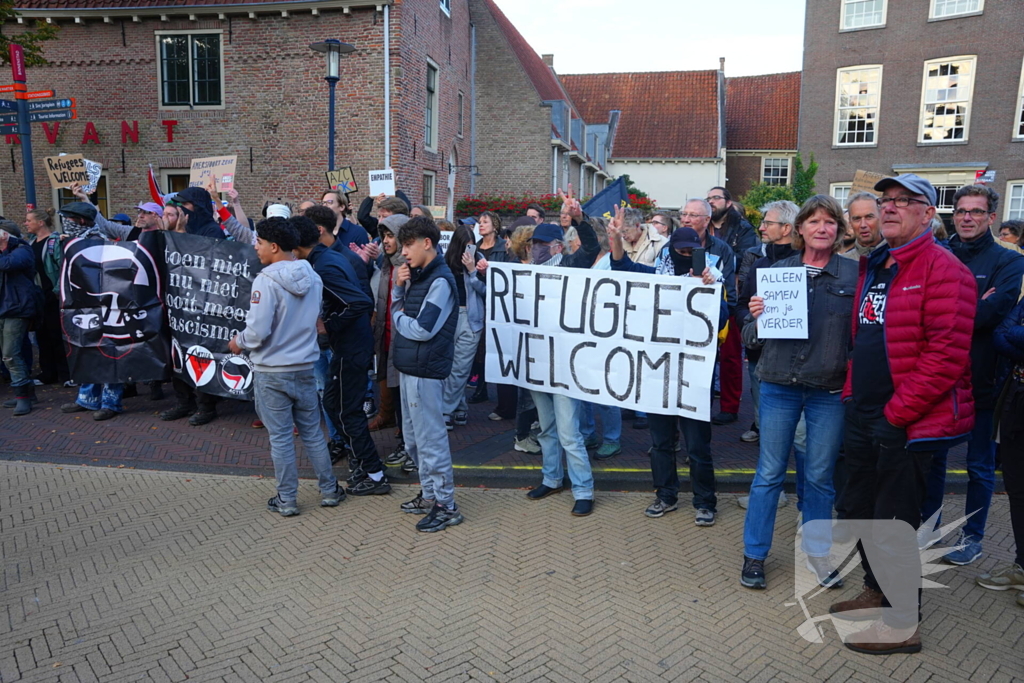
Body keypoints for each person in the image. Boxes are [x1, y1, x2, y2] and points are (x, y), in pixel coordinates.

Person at [830, 174, 976, 655]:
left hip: (905, 421)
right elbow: (865, 338)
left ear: (928, 214)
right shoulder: (880, 264)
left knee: (894, 521)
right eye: (886, 200)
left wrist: (896, 415)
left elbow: (945, 357)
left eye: (904, 202)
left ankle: (901, 623)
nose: (889, 209)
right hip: (865, 412)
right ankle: (876, 589)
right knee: (860, 510)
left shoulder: (943, 268)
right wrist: (854, 393)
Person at [738, 195, 858, 590]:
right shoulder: (776, 272)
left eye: (829, 222)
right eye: (814, 221)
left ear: (839, 231)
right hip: (777, 385)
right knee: (769, 473)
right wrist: (755, 318)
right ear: (800, 229)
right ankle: (754, 555)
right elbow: (751, 341)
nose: (822, 228)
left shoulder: (853, 277)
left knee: (821, 477)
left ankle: (819, 556)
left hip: (827, 390)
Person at [920, 185, 1024, 563]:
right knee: (932, 459)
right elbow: (924, 315)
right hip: (938, 377)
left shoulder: (1009, 262)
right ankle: (929, 528)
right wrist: (970, 306)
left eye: (976, 212)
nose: (966, 217)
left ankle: (972, 537)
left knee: (979, 465)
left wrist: (954, 309)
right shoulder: (940, 254)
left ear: (991, 218)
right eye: (961, 211)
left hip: (983, 380)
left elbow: (989, 317)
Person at [610, 219, 727, 526]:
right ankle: (666, 495)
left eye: (692, 251)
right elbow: (623, 269)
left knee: (698, 446)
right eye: (680, 250)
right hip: (657, 374)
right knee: (661, 442)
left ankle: (705, 501)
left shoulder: (711, 279)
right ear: (671, 251)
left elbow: (724, 318)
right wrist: (615, 238)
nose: (685, 255)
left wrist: (710, 288)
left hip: (693, 377)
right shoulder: (654, 277)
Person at [226, 218, 342, 515]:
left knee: (280, 438)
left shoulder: (265, 280)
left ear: (274, 246)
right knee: (314, 434)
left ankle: (287, 500)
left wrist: (238, 342)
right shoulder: (313, 276)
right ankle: (329, 490)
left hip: (272, 370)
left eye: (260, 243)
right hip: (304, 366)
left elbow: (257, 331)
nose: (256, 247)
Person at [290, 215, 388, 496]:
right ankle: (362, 461)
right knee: (333, 405)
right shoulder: (323, 259)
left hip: (351, 348)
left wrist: (327, 325)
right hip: (347, 347)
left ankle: (375, 474)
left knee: (347, 411)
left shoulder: (325, 265)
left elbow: (360, 302)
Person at [523, 209, 599, 516]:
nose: (536, 248)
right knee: (546, 428)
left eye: (542, 244)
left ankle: (584, 489)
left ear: (557, 246)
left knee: (569, 432)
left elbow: (591, 249)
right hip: (539, 363)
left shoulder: (572, 264)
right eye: (533, 244)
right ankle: (551, 478)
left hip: (566, 365)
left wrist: (580, 220)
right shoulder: (525, 273)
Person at [391, 216, 462, 531]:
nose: (403, 252)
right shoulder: (420, 277)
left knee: (430, 440)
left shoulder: (441, 281)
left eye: (408, 245)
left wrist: (397, 316)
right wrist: (399, 289)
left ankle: (446, 505)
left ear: (427, 243)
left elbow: (422, 328)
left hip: (426, 372)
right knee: (414, 441)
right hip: (412, 368)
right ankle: (431, 494)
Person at [736, 200, 800, 444]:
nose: (761, 227)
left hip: (793, 356)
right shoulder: (758, 264)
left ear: (786, 228)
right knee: (765, 417)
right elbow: (742, 305)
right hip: (759, 353)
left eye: (767, 223)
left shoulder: (804, 264)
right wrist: (751, 321)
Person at [977, 294, 1024, 606]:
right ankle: (1021, 567)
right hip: (1016, 398)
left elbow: (1014, 333)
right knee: (1018, 489)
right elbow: (1001, 336)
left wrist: (1017, 333)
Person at [579, 218, 622, 459]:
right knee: (582, 386)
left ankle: (612, 438)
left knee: (605, 389)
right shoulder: (581, 260)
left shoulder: (610, 262)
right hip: (581, 330)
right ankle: (588, 432)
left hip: (606, 331)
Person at [705, 188, 749, 425]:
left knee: (731, 357)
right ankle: (701, 402)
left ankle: (730, 407)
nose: (711, 202)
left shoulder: (743, 229)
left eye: (716, 198)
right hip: (701, 301)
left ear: (728, 203)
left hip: (730, 298)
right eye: (708, 198)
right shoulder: (700, 228)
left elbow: (745, 262)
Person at [440, 225, 486, 429]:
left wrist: (473, 271)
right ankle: (460, 407)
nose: (469, 251)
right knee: (449, 367)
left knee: (461, 368)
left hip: (472, 318)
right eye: (466, 247)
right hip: (449, 317)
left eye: (472, 247)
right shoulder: (445, 261)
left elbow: (486, 291)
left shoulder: (480, 261)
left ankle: (446, 411)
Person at [0, 222, 42, 416]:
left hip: (17, 309)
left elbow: (8, 264)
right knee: (7, 354)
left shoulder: (22, 249)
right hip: (4, 308)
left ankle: (23, 398)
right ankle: (27, 393)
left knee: (11, 353)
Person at [23, 208, 68, 385]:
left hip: (52, 295)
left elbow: (62, 267)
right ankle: (47, 373)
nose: (26, 223)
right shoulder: (31, 242)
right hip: (38, 295)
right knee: (42, 335)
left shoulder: (54, 242)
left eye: (28, 220)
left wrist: (56, 291)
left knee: (57, 335)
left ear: (40, 222)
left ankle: (65, 374)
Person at [841, 192, 886, 261]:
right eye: (857, 219)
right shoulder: (842, 263)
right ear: (850, 222)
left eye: (869, 217)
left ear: (881, 217)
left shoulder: (896, 257)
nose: (863, 225)